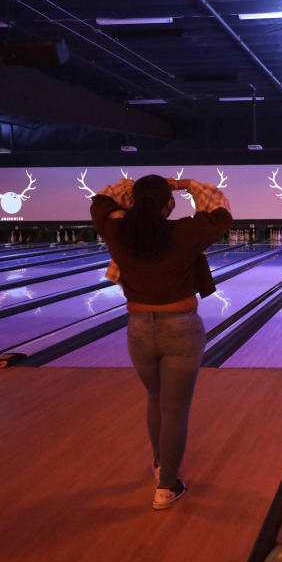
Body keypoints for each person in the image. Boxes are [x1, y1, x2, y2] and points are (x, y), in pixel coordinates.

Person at [90, 174, 232, 509]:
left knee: (155, 398)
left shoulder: (117, 231)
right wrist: (185, 184)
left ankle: (159, 466)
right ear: (168, 205)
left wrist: (139, 187)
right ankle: (167, 487)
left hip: (139, 328)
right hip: (181, 327)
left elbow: (100, 200)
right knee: (176, 409)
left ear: (136, 202)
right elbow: (221, 210)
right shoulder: (184, 232)